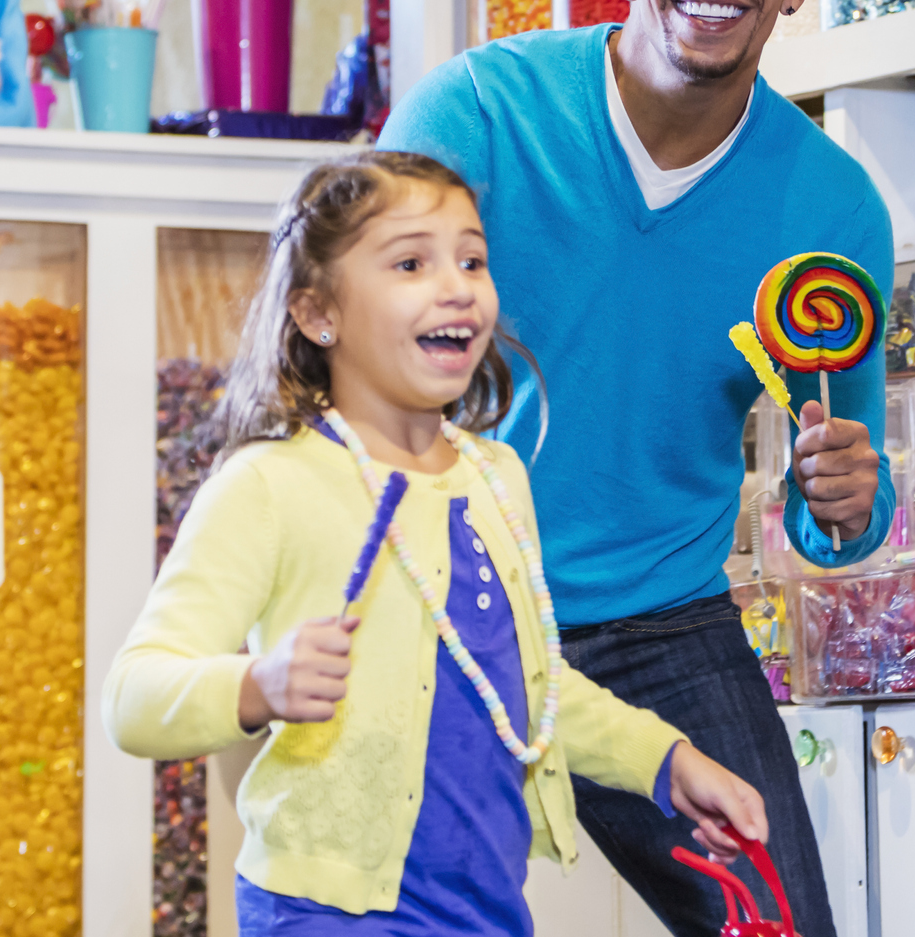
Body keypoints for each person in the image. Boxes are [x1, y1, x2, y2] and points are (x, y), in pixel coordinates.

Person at [378, 0, 895, 935]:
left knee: (776, 923)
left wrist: (845, 500)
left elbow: (844, 503)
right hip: (438, 604)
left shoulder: (832, 209)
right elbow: (339, 362)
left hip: (661, 628)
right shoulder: (474, 113)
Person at [107, 151, 770, 937]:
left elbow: (529, 686)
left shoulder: (496, 476)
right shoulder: (270, 485)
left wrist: (667, 761)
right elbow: (134, 697)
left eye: (472, 258)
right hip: (325, 914)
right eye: (412, 262)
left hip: (485, 912)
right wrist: (258, 685)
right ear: (319, 313)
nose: (456, 284)